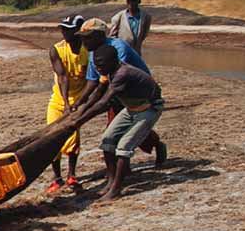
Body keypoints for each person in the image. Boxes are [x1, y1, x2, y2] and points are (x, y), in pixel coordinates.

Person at [63, 44, 165, 201]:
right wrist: (79, 110)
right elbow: (97, 95)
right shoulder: (107, 72)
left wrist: (79, 122)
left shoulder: (122, 73)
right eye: (96, 65)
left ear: (113, 61)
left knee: (124, 146)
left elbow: (104, 102)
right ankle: (110, 182)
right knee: (108, 140)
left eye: (101, 65)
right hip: (131, 107)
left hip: (148, 108)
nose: (98, 68)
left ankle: (116, 189)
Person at [74, 18, 166, 165]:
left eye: (88, 38)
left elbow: (111, 80)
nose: (84, 42)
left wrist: (84, 115)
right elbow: (93, 81)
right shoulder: (93, 53)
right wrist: (80, 102)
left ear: (100, 35)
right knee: (122, 128)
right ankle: (123, 167)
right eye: (82, 38)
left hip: (136, 93)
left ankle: (125, 166)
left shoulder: (116, 49)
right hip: (118, 92)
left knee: (127, 130)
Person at [45, 14, 90, 194]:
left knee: (73, 139)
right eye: (62, 28)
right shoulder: (56, 50)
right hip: (59, 100)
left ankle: (72, 175)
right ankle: (57, 178)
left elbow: (91, 78)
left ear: (78, 31)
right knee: (52, 138)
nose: (64, 32)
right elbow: (62, 76)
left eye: (68, 29)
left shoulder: (88, 50)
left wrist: (81, 103)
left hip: (79, 99)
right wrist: (65, 104)